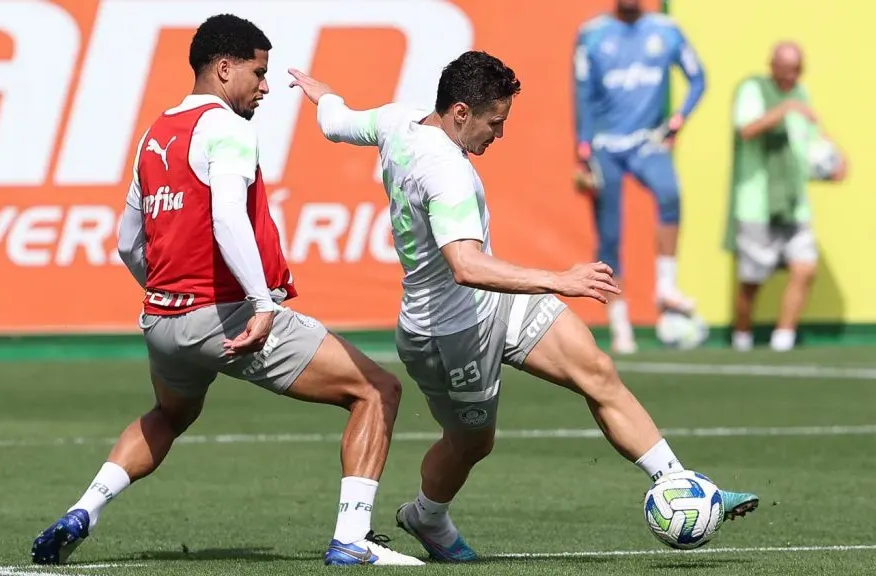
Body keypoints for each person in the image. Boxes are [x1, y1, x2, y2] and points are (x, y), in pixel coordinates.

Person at [289, 50, 758, 563]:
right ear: (462, 112)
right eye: (496, 122)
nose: (500, 134)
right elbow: (466, 265)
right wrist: (561, 279)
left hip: (492, 302)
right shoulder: (444, 169)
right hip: (447, 330)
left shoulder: (398, 118)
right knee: (472, 442)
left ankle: (681, 486)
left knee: (596, 370)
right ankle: (425, 514)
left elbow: (336, 122)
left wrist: (322, 94)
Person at [30, 14, 423, 567]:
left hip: (163, 322)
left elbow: (126, 243)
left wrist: (169, 296)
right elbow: (227, 219)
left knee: (170, 415)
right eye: (258, 73)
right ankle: (352, 540)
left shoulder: (155, 133)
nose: (265, 87)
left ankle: (84, 510)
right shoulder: (229, 129)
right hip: (227, 317)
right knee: (377, 391)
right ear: (223, 68)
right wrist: (262, 303)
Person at [573, 0, 706, 353]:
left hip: (647, 141)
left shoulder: (666, 30)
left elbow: (698, 78)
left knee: (670, 193)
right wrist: (583, 147)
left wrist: (677, 120)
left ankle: (666, 286)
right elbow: (583, 94)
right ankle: (620, 324)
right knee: (610, 234)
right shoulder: (592, 35)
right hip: (605, 145)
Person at [723, 42, 847, 352]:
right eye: (787, 69)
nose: (793, 76)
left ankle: (783, 338)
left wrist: (834, 161)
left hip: (795, 204)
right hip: (757, 204)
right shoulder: (753, 89)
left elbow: (808, 144)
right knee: (752, 282)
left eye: (798, 69)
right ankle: (741, 336)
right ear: (773, 65)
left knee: (805, 268)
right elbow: (746, 130)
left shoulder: (801, 95)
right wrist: (784, 109)